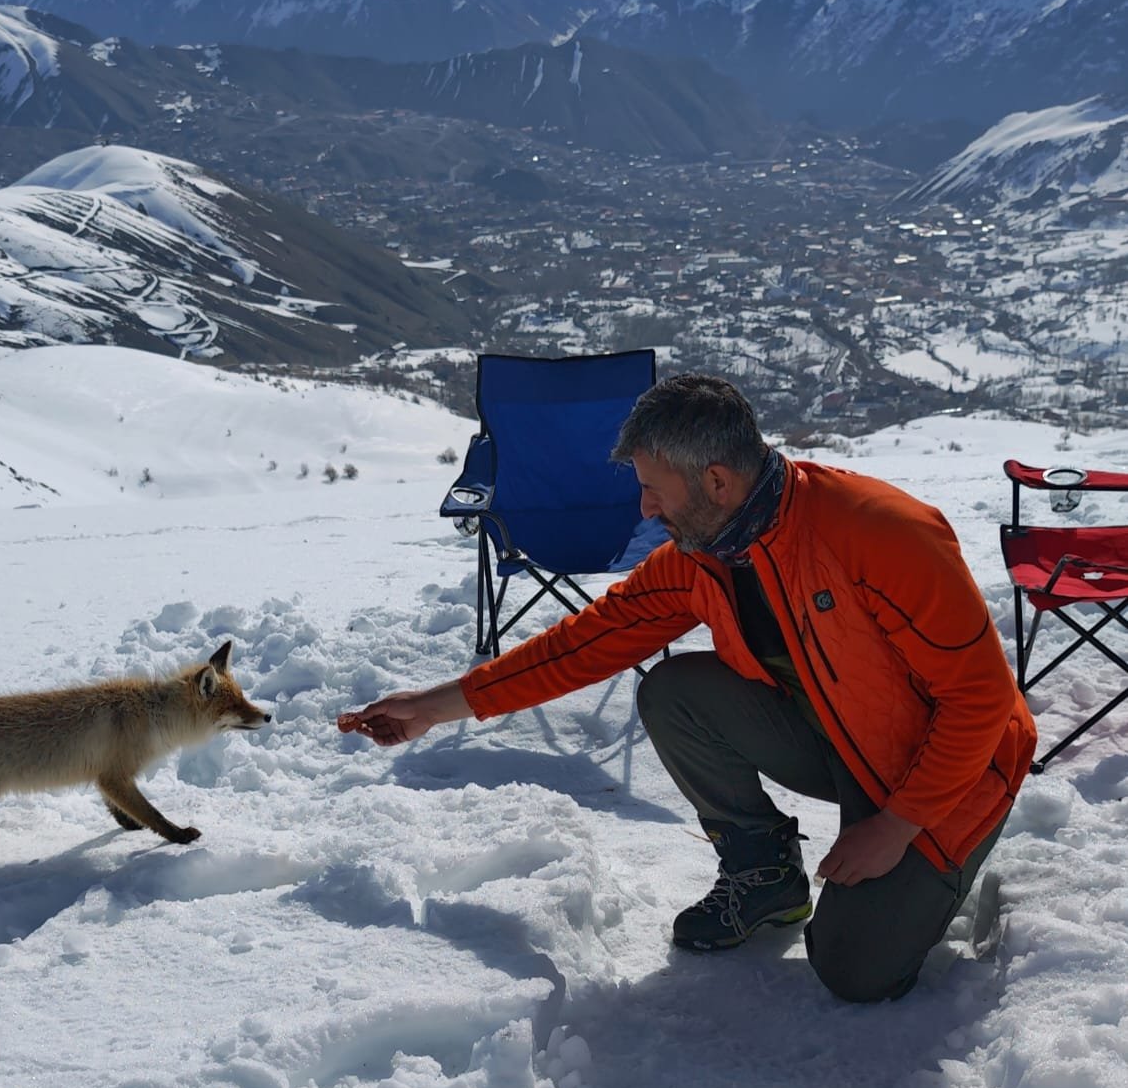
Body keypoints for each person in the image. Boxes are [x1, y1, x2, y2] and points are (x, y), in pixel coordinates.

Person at [338, 373, 1036, 1003]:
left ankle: (934, 873)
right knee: (674, 692)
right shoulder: (706, 555)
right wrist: (432, 707)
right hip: (837, 742)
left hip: (953, 770)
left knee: (855, 971)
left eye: (654, 488)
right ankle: (765, 876)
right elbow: (584, 643)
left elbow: (978, 701)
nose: (645, 509)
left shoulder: (879, 531)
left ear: (717, 482)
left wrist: (896, 826)